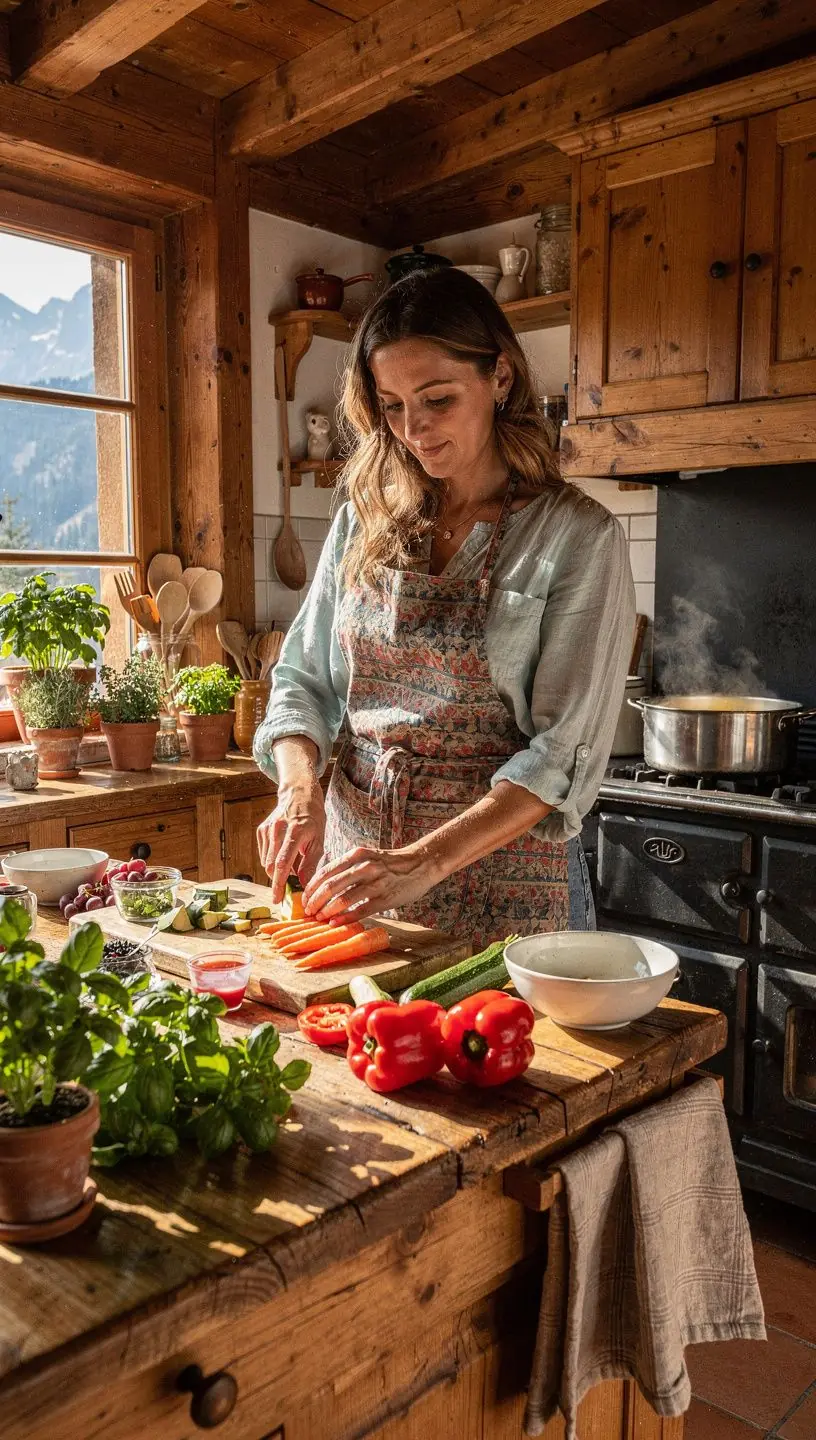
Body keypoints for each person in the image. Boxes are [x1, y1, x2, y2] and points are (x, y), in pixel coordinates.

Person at [254, 268, 634, 949]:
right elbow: (303, 681)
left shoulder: (577, 536)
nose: (414, 429)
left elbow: (559, 757)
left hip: (508, 887)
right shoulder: (361, 522)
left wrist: (421, 862)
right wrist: (299, 790)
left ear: (502, 379)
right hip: (359, 873)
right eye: (392, 406)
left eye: (437, 399)